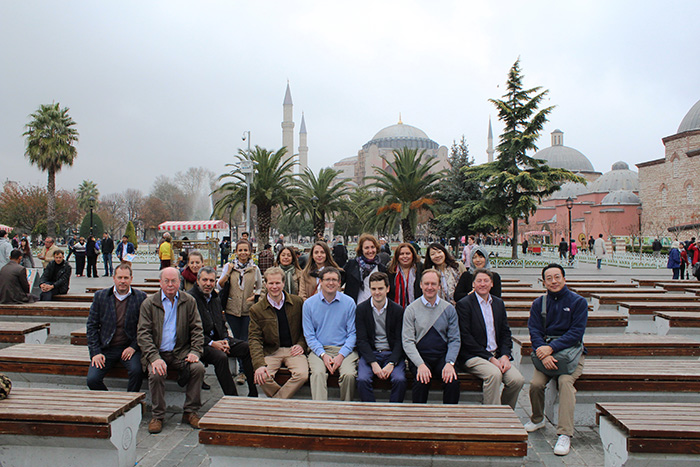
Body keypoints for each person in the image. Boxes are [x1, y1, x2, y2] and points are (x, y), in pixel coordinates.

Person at [525, 264, 587, 457]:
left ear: (564, 279)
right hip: (546, 354)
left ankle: (565, 433)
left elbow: (576, 333)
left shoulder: (578, 302)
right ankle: (537, 418)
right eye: (549, 278)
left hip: (570, 355)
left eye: (557, 277)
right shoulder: (539, 304)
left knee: (565, 382)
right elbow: (534, 331)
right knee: (536, 384)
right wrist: (544, 353)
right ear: (544, 282)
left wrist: (551, 348)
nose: (554, 281)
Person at [137, 267, 205, 434]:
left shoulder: (189, 301)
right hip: (157, 353)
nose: (170, 284)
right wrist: (154, 358)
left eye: (173, 281)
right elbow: (143, 334)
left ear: (179, 282)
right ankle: (158, 416)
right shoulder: (149, 303)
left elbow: (197, 329)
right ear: (160, 283)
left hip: (180, 352)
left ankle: (190, 412)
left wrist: (195, 352)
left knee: (198, 368)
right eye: (166, 281)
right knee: (156, 373)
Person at [456, 268, 523, 408]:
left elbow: (505, 333)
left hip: (497, 355)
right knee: (494, 375)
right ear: (473, 284)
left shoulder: (498, 303)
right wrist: (489, 358)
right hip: (474, 356)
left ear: (492, 284)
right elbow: (465, 337)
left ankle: (505, 412)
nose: (482, 284)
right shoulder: (464, 304)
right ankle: (492, 414)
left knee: (517, 380)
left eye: (486, 281)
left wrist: (505, 355)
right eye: (479, 281)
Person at [189, 266, 257, 397]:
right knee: (221, 357)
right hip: (200, 343)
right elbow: (189, 330)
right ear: (197, 281)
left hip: (219, 339)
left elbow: (221, 323)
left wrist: (225, 340)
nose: (208, 284)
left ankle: (253, 393)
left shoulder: (215, 298)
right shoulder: (190, 299)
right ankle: (232, 397)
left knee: (246, 348)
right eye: (204, 280)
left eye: (211, 280)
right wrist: (212, 343)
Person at [402, 268, 461, 404]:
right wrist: (420, 364)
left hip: (442, 357)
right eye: (426, 284)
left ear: (439, 286)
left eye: (433, 284)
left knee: (452, 381)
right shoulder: (411, 309)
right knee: (420, 381)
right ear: (420, 285)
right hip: (421, 357)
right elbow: (408, 341)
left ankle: (450, 414)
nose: (430, 287)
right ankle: (420, 415)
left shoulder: (449, 309)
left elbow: (454, 339)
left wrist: (450, 363)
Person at [86, 263, 147, 392]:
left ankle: (130, 400)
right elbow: (92, 326)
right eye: (120, 277)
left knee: (137, 371)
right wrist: (95, 352)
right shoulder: (101, 296)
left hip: (129, 347)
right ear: (114, 278)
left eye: (126, 278)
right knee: (92, 379)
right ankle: (110, 401)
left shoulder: (140, 297)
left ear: (131, 279)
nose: (122, 281)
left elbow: (144, 327)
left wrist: (133, 347)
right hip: (107, 348)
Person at [249, 267, 308, 399]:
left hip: (293, 350)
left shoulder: (297, 302)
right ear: (265, 284)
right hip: (271, 351)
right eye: (271, 283)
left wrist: (301, 344)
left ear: (283, 283)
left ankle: (277, 401)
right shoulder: (257, 309)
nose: (274, 287)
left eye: (277, 283)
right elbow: (254, 339)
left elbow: (306, 329)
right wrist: (259, 364)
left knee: (302, 374)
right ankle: (282, 401)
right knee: (262, 377)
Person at [302, 267, 358, 401]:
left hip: (344, 349)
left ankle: (346, 408)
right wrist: (323, 354)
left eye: (334, 280)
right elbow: (309, 335)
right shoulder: (309, 304)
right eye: (327, 279)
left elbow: (353, 333)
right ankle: (320, 409)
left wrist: (341, 355)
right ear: (320, 282)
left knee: (349, 375)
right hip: (319, 349)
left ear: (339, 283)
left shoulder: (349, 303)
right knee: (318, 373)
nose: (331, 283)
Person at [356, 272, 406, 402]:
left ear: (387, 289)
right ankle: (371, 410)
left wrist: (391, 363)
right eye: (373, 289)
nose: (377, 292)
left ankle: (393, 409)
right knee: (362, 379)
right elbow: (362, 340)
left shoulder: (398, 310)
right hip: (371, 353)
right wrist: (373, 363)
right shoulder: (361, 309)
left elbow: (400, 340)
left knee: (400, 379)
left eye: (380, 288)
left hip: (391, 353)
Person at [218, 240, 262, 384]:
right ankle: (242, 370)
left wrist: (254, 297)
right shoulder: (229, 266)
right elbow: (220, 285)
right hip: (232, 309)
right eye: (240, 250)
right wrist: (228, 272)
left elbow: (260, 287)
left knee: (245, 339)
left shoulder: (254, 269)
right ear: (236, 252)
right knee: (237, 339)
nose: (243, 253)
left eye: (246, 250)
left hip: (248, 310)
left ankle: (244, 371)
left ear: (250, 252)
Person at [344, 233, 388, 304]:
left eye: (372, 247)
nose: (370, 251)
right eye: (366, 248)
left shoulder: (381, 268)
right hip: (356, 306)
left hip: (376, 306)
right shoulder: (352, 265)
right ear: (361, 249)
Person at [387, 242, 424, 308]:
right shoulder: (390, 271)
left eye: (408, 253)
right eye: (401, 254)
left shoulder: (421, 269)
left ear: (413, 255)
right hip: (395, 309)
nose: (405, 256)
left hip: (418, 308)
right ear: (397, 256)